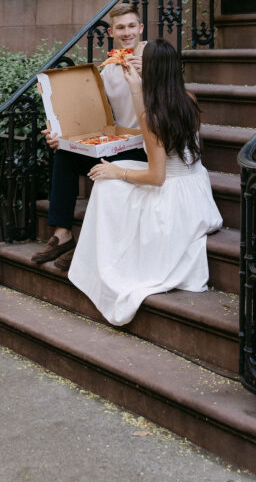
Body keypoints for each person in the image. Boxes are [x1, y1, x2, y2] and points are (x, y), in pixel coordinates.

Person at [67, 38, 222, 326]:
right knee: (115, 167)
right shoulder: (189, 99)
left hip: (171, 194)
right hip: (195, 187)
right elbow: (154, 123)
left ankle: (102, 263)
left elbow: (156, 176)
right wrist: (135, 88)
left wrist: (118, 173)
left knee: (106, 182)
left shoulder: (154, 117)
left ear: (151, 71)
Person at [31, 1, 148, 270]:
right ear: (111, 33)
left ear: (141, 28)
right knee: (65, 155)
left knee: (105, 173)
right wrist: (61, 133)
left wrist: (149, 73)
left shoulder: (153, 57)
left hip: (146, 145)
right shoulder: (109, 68)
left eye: (132, 26)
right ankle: (63, 234)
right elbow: (94, 113)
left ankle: (90, 247)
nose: (127, 32)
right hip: (119, 142)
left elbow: (171, 98)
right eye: (120, 27)